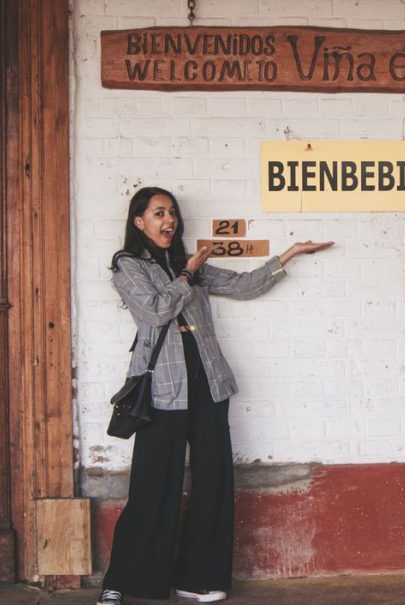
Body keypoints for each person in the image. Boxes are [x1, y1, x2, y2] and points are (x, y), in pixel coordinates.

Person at [97, 186, 333, 605]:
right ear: (139, 222)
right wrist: (187, 274)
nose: (168, 220)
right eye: (158, 213)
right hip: (163, 391)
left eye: (172, 213)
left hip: (208, 385)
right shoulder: (128, 266)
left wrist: (289, 255)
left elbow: (244, 285)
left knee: (213, 482)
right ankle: (125, 581)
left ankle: (198, 579)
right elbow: (154, 310)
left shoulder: (190, 264)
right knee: (153, 486)